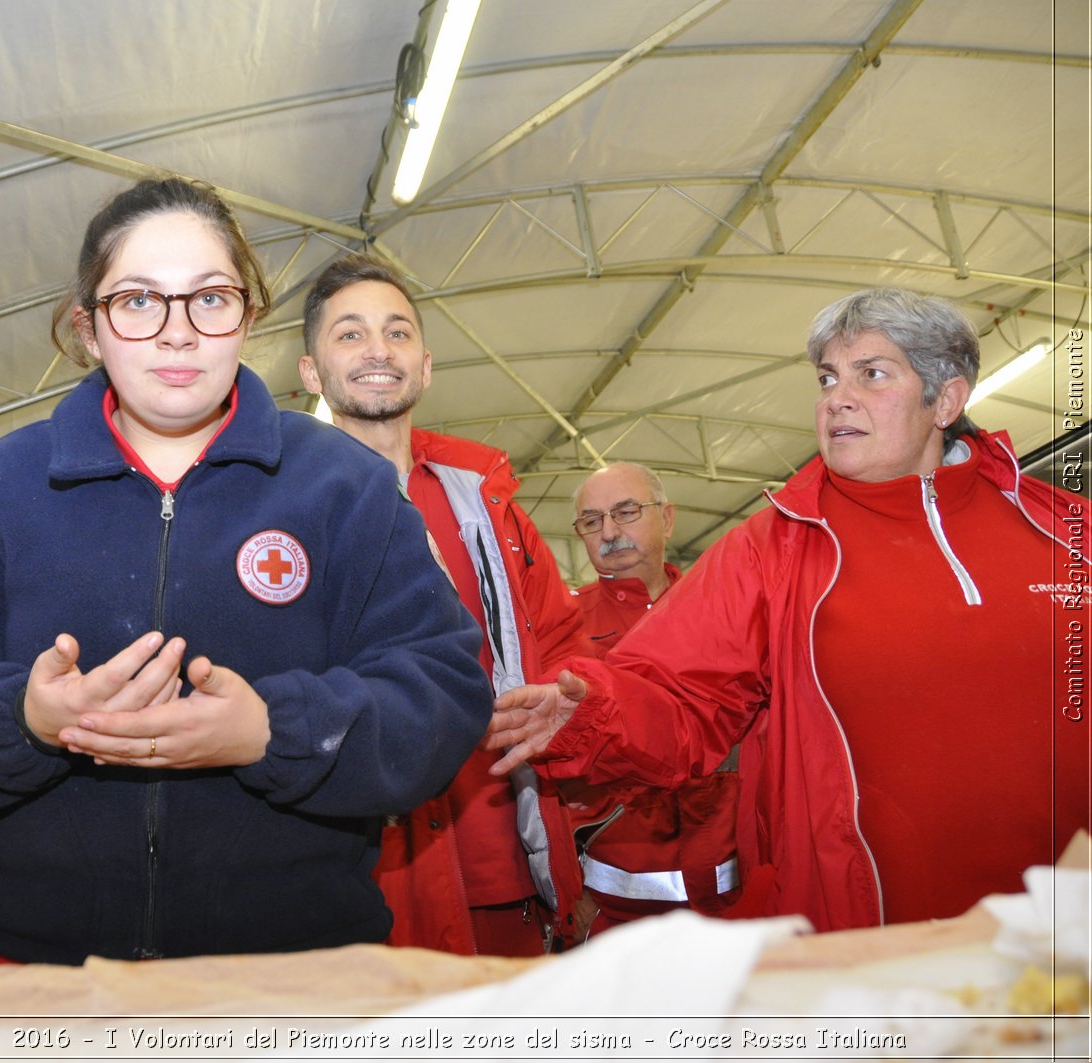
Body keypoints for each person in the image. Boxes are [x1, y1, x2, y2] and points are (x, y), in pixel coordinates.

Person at [0, 178, 491, 966]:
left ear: (248, 314)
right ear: (89, 328)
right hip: (35, 982)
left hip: (298, 981)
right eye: (139, 301)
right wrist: (25, 718)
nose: (178, 333)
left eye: (210, 299)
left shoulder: (345, 486)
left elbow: (443, 692)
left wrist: (271, 732)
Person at [488, 287, 1090, 932]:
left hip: (1065, 914)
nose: (837, 397)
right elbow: (677, 693)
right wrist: (593, 715)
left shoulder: (1063, 529)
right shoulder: (771, 549)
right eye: (828, 378)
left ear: (945, 399)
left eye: (872, 373)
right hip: (867, 928)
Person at [297, 253, 588, 956]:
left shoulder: (485, 507)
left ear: (424, 366)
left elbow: (562, 643)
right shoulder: (280, 513)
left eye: (397, 333)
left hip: (500, 859)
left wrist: (572, 702)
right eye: (350, 334)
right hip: (359, 879)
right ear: (312, 373)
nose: (377, 350)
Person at [565, 462, 740, 935]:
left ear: (666, 519)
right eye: (592, 521)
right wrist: (568, 889)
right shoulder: (561, 627)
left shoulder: (722, 609)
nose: (609, 532)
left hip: (733, 886)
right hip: (614, 904)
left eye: (625, 512)